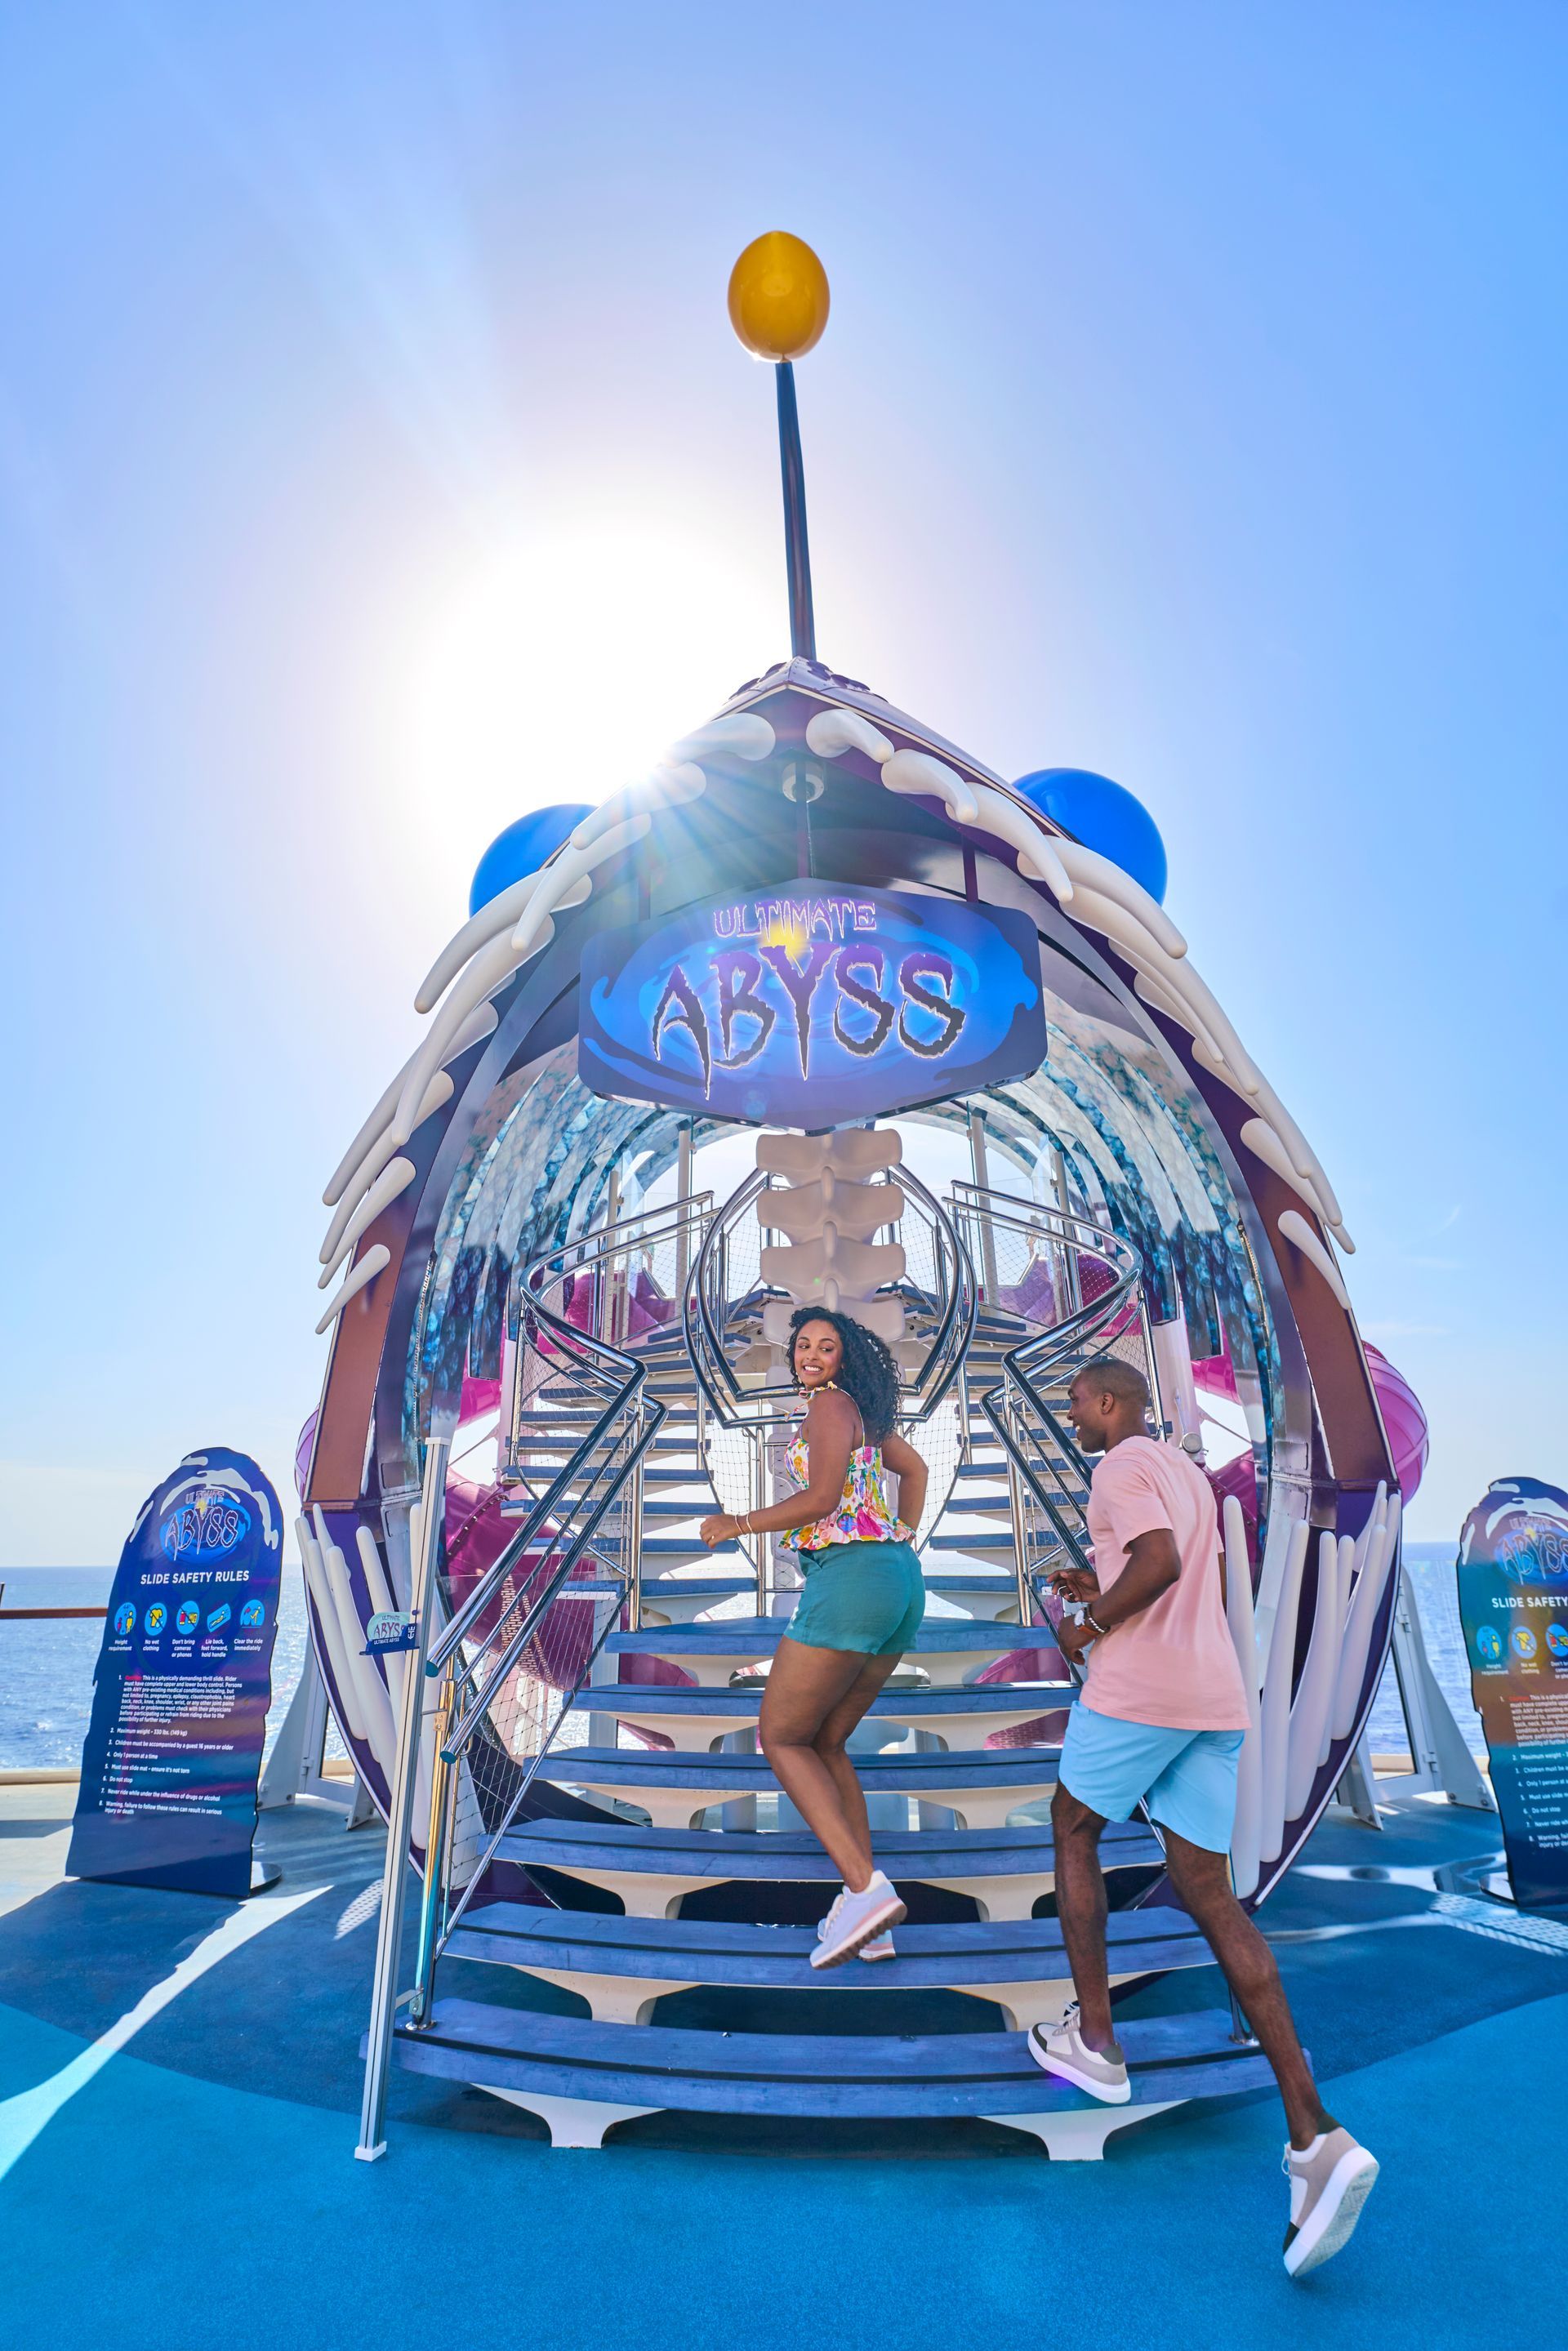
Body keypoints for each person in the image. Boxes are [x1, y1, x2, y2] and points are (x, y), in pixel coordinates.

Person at [1035, 1356, 1379, 2280]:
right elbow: (1166, 1563)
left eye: (1076, 1403)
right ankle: (1315, 2134)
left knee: (1072, 1827)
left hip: (1140, 1690)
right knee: (1211, 1894)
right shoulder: (1183, 1468)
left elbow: (1160, 1561)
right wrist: (1092, 1573)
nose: (1072, 1417)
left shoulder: (1116, 1467)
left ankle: (1097, 2040)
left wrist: (1091, 1624)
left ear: (1111, 1404)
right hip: (1213, 1699)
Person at [699, 1307, 929, 1968]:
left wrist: (735, 1522)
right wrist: (900, 1538)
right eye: (804, 1344)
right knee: (826, 1741)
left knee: (781, 1735)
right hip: (897, 1581)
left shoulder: (831, 1406)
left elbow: (823, 1498)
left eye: (827, 1346)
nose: (812, 1354)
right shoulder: (862, 1415)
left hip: (852, 1577)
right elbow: (913, 1474)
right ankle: (873, 1922)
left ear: (843, 1359)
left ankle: (865, 1889)